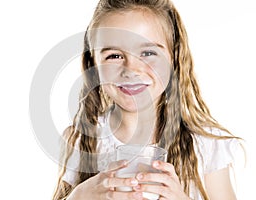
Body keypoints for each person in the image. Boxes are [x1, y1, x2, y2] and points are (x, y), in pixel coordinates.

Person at [53, 0, 241, 199]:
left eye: (148, 52)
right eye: (114, 56)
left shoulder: (206, 145)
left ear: (174, 58)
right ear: (94, 65)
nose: (131, 69)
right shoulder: (81, 139)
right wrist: (77, 197)